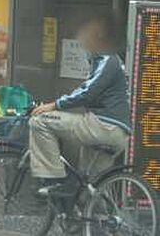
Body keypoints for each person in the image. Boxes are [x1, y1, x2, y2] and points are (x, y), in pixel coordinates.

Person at [29, 14, 130, 196]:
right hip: (116, 132)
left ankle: (53, 179)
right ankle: (100, 212)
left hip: (103, 126)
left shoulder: (108, 59)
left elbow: (87, 91)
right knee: (92, 187)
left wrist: (54, 105)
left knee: (39, 121)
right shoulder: (106, 61)